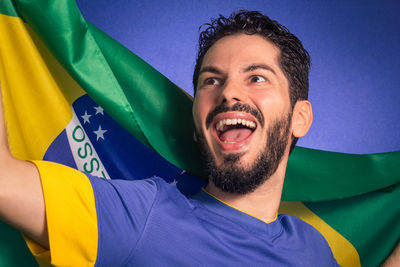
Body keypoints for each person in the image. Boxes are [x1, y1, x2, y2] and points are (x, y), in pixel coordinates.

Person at [0, 10, 397, 266]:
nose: (228, 93)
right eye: (212, 80)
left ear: (299, 118)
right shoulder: (146, 215)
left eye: (256, 77)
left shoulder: (314, 249)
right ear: (196, 121)